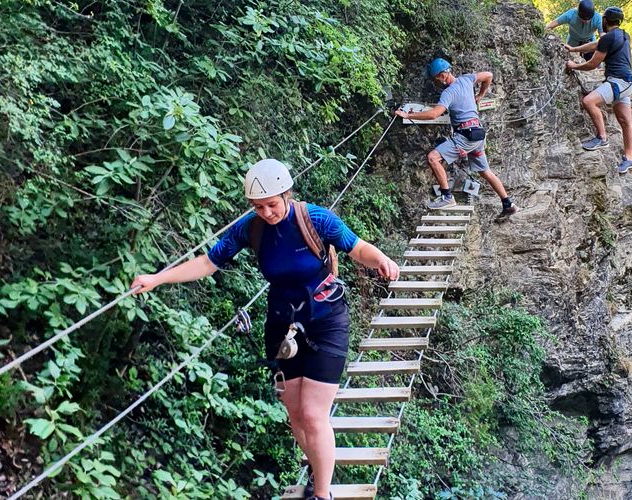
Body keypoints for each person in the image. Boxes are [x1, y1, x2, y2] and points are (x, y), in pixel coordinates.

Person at [130, 159, 400, 500]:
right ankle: (320, 470)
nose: (267, 212)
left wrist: (382, 260)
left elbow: (356, 247)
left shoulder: (314, 218)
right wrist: (157, 279)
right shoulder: (250, 228)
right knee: (296, 416)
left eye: (272, 204)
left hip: (326, 320)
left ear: (286, 194)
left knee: (314, 415)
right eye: (258, 206)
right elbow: (208, 262)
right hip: (282, 326)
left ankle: (321, 494)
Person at [395, 58, 517, 219]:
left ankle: (447, 197)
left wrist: (408, 115)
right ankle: (508, 204)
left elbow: (434, 114)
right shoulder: (467, 79)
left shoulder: (449, 92)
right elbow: (488, 75)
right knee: (485, 171)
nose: (435, 83)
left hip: (466, 136)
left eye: (435, 79)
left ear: (442, 75)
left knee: (433, 158)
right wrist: (480, 95)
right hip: (478, 135)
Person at [565, 6, 632, 174]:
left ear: (604, 20)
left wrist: (574, 66)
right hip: (627, 83)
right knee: (625, 121)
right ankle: (629, 159)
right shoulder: (623, 35)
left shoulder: (608, 38)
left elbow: (592, 64)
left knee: (588, 102)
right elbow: (596, 44)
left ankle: (602, 138)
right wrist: (574, 49)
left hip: (618, 82)